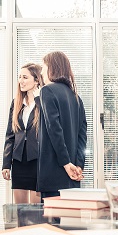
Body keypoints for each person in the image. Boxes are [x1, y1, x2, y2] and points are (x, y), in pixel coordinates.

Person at [36, 51, 87, 201]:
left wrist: (65, 163)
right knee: (69, 221)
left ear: (52, 68)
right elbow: (82, 136)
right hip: (73, 175)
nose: (42, 72)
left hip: (54, 172)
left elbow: (54, 129)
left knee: (52, 223)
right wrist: (78, 165)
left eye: (44, 66)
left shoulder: (47, 91)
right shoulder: (76, 97)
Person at [2, 63, 43, 204]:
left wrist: (39, 98)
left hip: (37, 160)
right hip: (19, 161)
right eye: (20, 77)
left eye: (25, 77)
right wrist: (6, 164)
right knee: (20, 212)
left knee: (36, 214)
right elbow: (10, 135)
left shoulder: (43, 103)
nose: (21, 81)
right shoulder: (17, 103)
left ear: (37, 80)